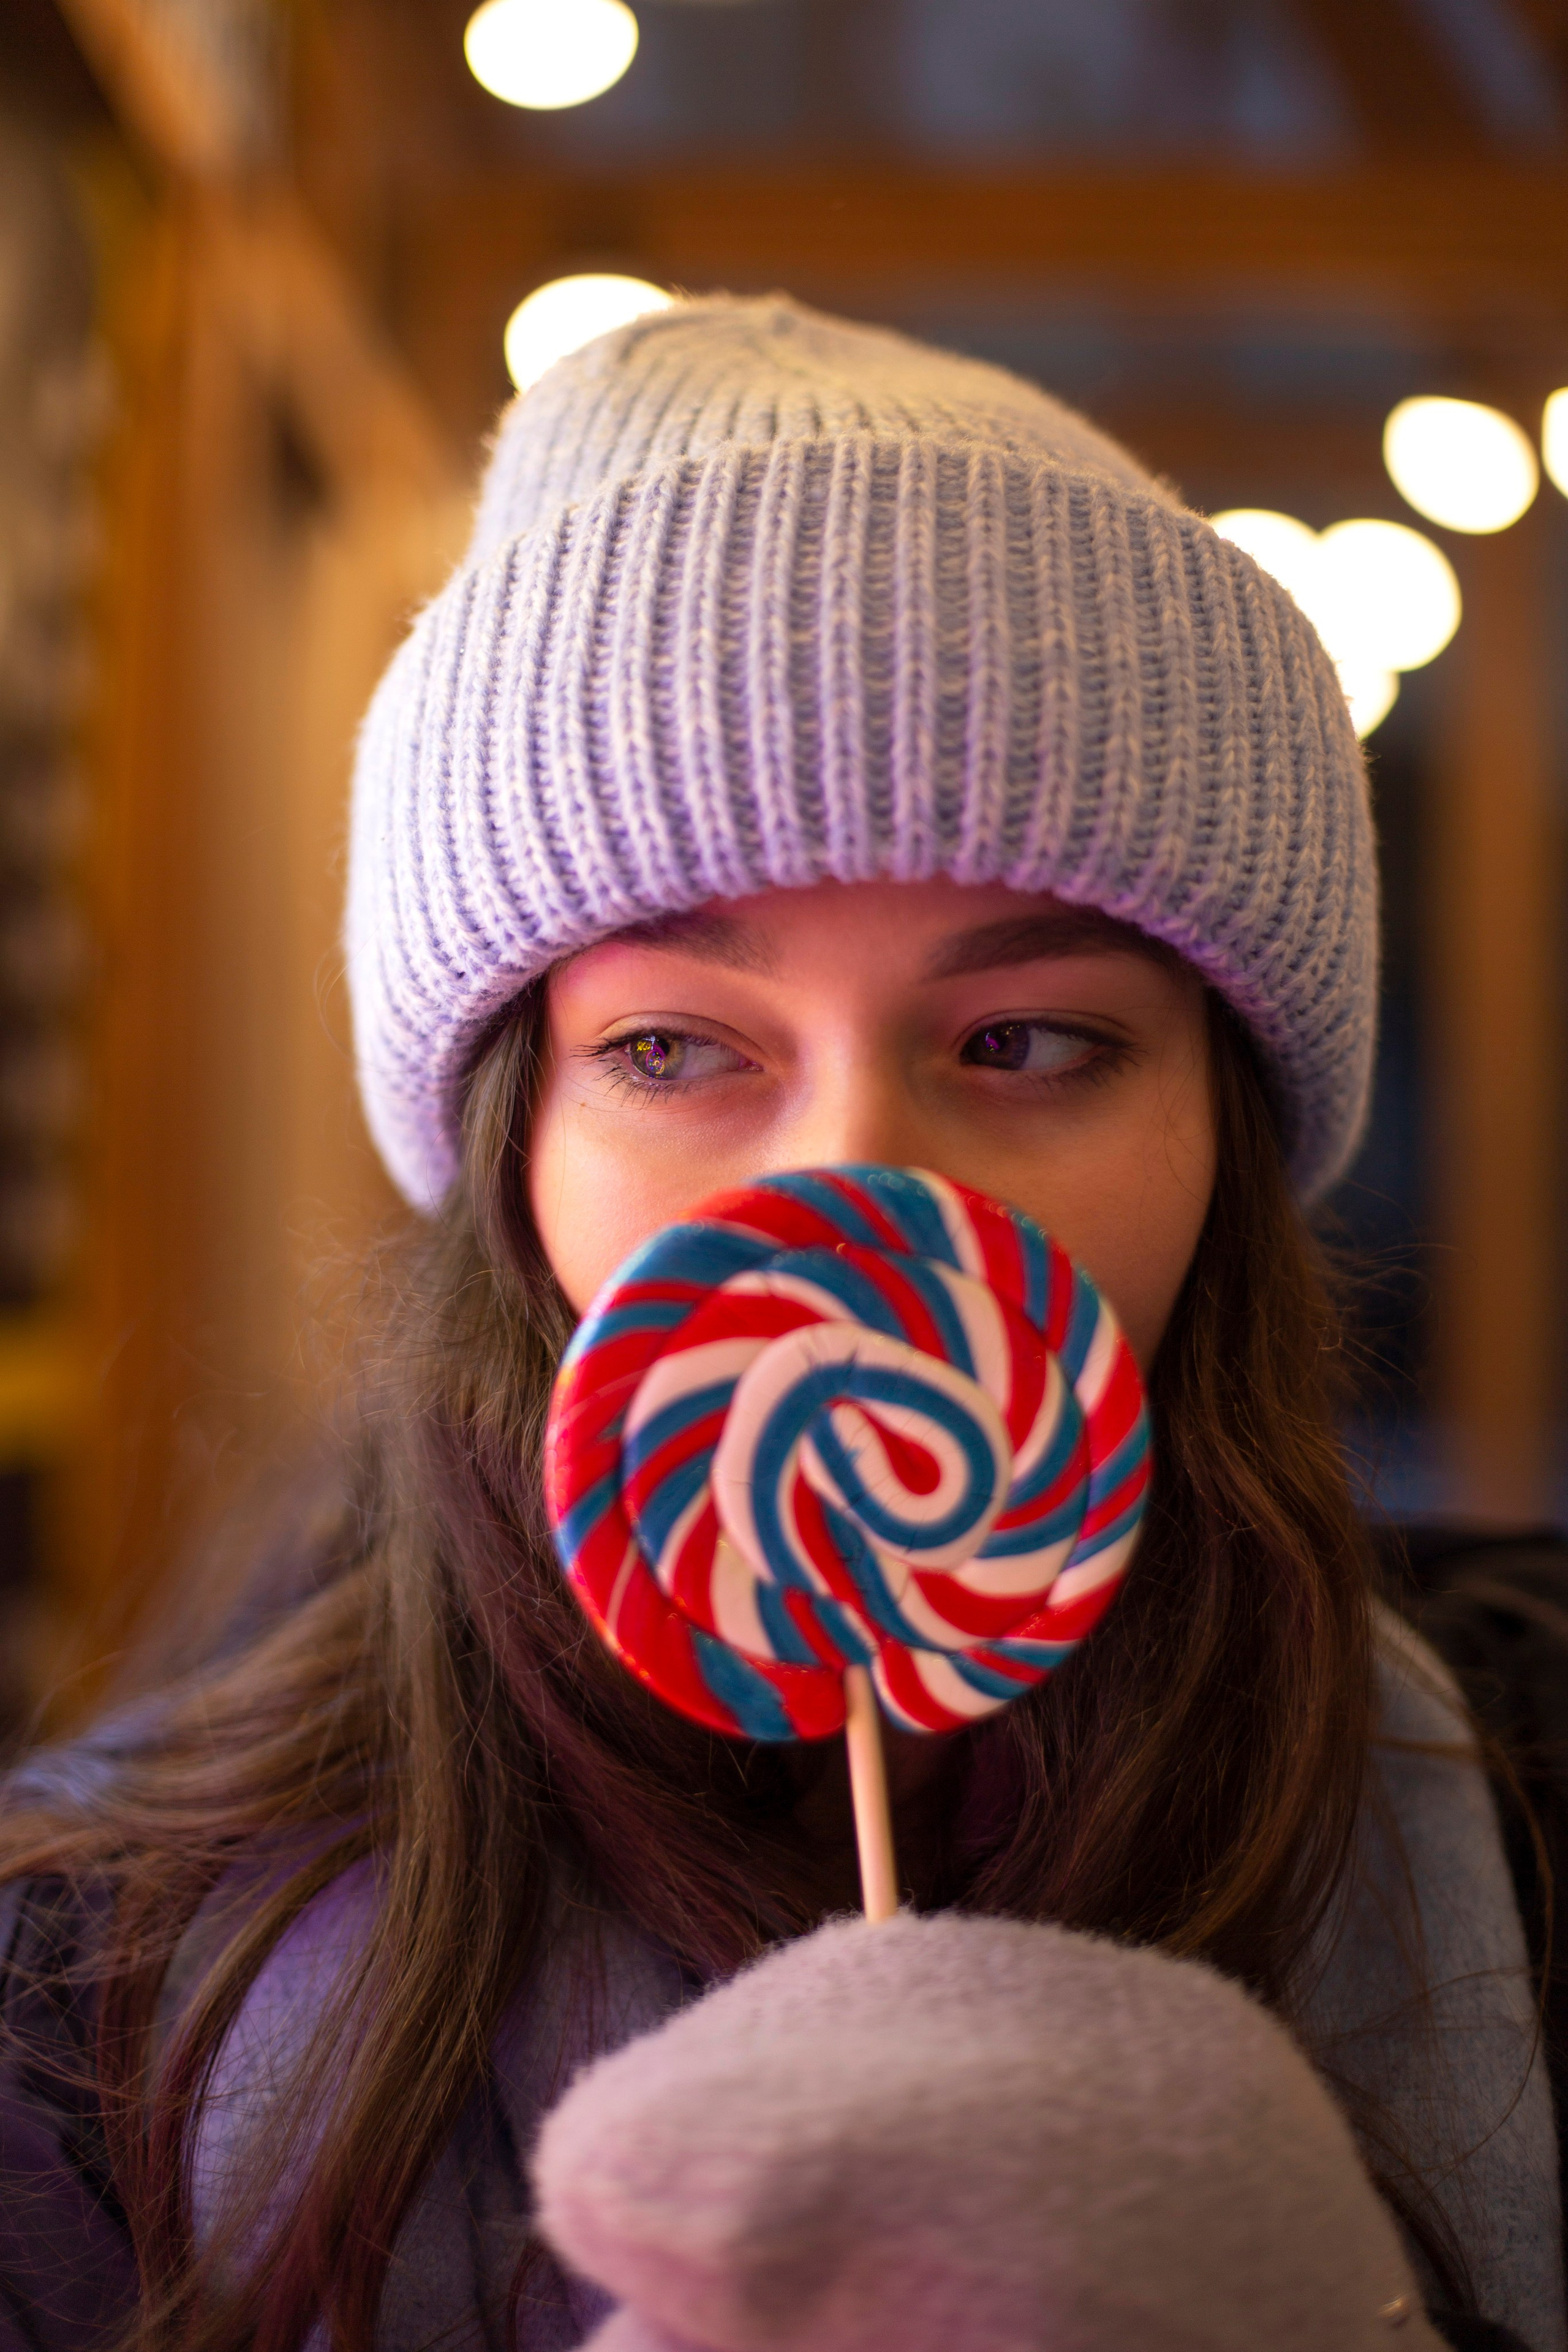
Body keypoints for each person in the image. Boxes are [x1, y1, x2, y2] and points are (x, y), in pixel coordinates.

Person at [0, 298, 1559, 2352]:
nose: (857, 1175)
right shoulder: (86, 1996)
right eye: (670, 1046)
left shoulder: (1528, 1798)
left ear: (1230, 1133)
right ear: (509, 1158)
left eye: (1028, 1037)